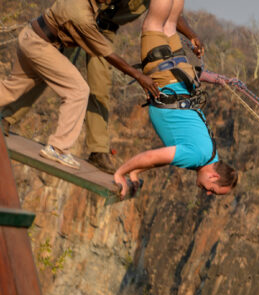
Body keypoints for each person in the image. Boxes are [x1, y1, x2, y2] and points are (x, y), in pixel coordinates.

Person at [0, 0, 204, 173]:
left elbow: (172, 14)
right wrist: (138, 75)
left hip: (103, 29)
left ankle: (98, 150)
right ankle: (8, 119)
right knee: (48, 74)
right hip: (74, 23)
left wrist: (192, 34)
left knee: (99, 88)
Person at [114, 0, 237, 198]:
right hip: (165, 77)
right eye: (212, 190)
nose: (207, 192)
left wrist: (135, 172)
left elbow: (158, 160)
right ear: (214, 176)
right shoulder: (195, 158)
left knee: (169, 25)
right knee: (154, 24)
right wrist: (120, 173)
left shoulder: (212, 155)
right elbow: (151, 156)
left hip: (182, 77)